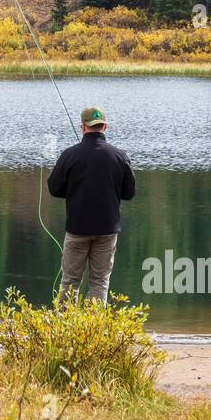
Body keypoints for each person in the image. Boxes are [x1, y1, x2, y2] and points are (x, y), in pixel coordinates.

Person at [46, 106, 136, 304]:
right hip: (107, 230)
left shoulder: (69, 155)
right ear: (104, 127)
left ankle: (64, 329)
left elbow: (54, 189)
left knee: (70, 282)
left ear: (83, 127)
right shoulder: (120, 156)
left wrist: (73, 190)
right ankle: (93, 330)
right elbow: (129, 193)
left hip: (77, 229)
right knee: (100, 282)